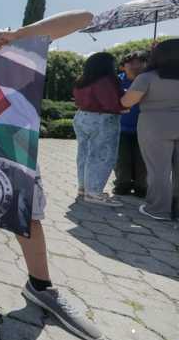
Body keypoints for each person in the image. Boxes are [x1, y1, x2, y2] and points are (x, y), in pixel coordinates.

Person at [0, 0, 103, 340]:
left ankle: (40, 286)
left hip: (14, 143)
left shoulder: (9, 42)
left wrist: (16, 35)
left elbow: (84, 16)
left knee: (26, 214)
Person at [121, 39, 179, 221]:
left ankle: (158, 209)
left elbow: (127, 102)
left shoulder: (148, 77)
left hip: (155, 125)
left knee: (158, 169)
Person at [72, 52, 126, 207]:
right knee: (102, 156)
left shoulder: (81, 80)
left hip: (82, 117)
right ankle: (94, 192)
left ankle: (84, 188)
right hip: (102, 119)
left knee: (84, 153)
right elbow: (111, 103)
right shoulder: (105, 81)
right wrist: (124, 106)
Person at [113, 52, 148, 197]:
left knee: (143, 160)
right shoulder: (116, 81)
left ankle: (142, 187)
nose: (136, 66)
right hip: (121, 128)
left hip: (145, 129)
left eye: (140, 62)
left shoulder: (148, 79)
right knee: (122, 159)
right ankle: (122, 185)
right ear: (123, 66)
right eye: (131, 63)